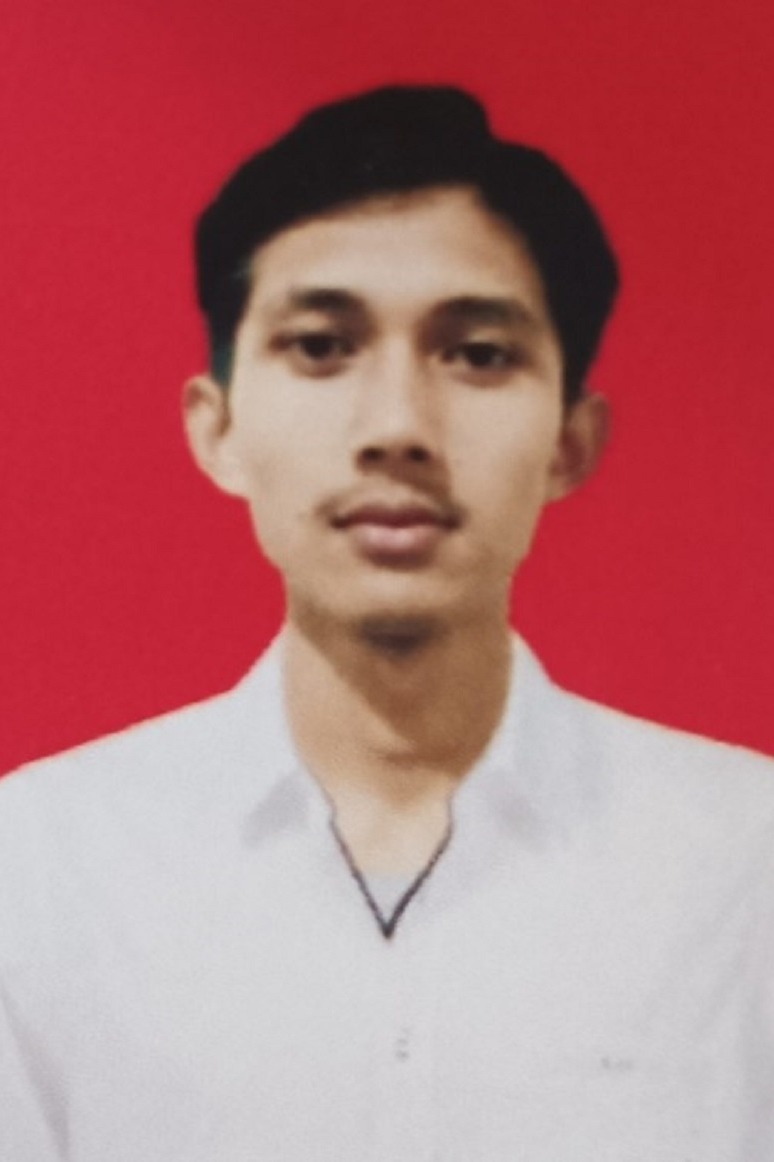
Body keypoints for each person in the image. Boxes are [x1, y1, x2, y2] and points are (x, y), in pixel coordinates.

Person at [1, 85, 772, 1162]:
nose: (399, 426)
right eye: (322, 346)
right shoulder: (42, 869)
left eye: (479, 354)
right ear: (219, 430)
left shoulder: (744, 865)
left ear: (570, 443)